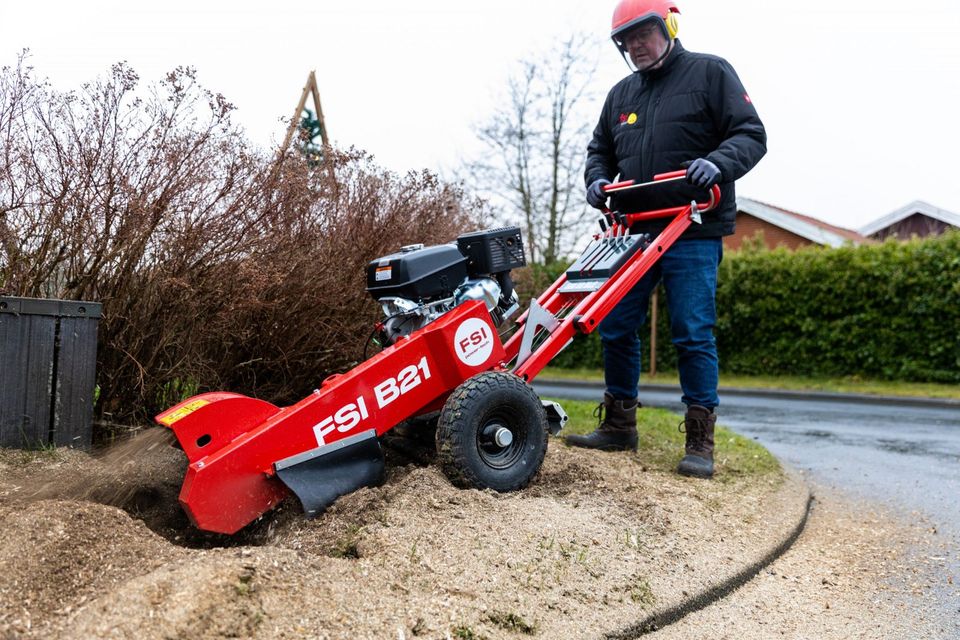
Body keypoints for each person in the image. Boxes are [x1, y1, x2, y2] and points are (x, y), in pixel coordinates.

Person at [565, 0, 767, 479]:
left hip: (693, 224)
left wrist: (719, 162)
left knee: (692, 331)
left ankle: (700, 440)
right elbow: (600, 152)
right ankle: (619, 426)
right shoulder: (621, 96)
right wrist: (596, 181)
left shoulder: (710, 73)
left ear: (669, 26)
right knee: (613, 324)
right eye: (627, 41)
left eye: (644, 34)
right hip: (634, 229)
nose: (636, 46)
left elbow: (751, 134)